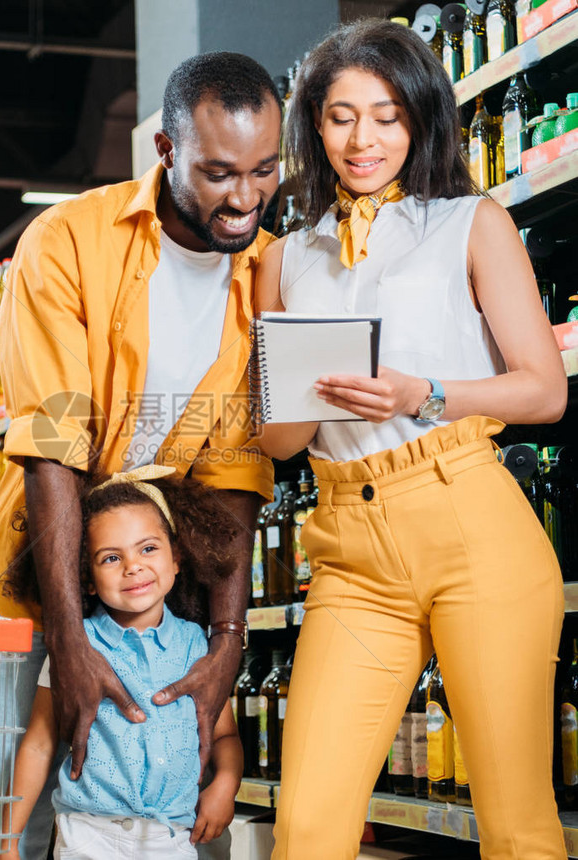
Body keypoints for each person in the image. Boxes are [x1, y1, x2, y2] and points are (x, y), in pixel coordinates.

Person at [254, 19, 568, 860]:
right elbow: (284, 444)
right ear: (314, 125)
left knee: (515, 826)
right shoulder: (283, 258)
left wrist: (422, 393)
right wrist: (291, 389)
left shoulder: (471, 222)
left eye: (388, 115)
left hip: (469, 518)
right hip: (350, 551)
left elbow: (544, 389)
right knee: (309, 826)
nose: (364, 139)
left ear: (421, 119)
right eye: (342, 115)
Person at [0, 51, 280, 859]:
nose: (244, 198)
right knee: (14, 800)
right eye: (218, 172)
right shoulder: (69, 241)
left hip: (163, 579)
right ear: (167, 151)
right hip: (49, 574)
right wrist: (69, 642)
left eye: (265, 170)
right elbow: (53, 446)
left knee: (152, 791)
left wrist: (226, 643)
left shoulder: (266, 273)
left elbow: (237, 476)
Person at [0, 467, 243, 859]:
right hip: (88, 837)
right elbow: (40, 744)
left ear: (177, 558)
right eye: (111, 557)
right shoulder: (76, 649)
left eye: (148, 548)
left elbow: (225, 735)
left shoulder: (197, 646)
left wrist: (226, 783)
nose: (133, 566)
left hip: (172, 839)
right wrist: (8, 841)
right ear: (86, 578)